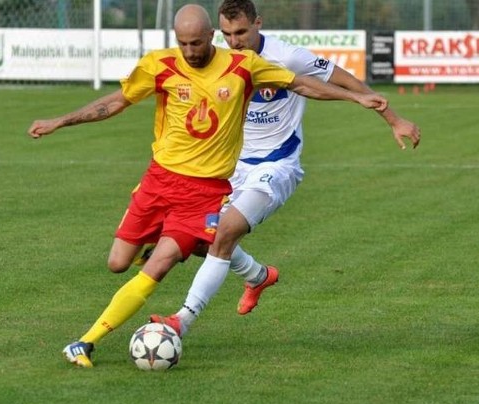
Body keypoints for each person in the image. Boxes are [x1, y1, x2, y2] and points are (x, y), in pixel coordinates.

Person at [28, 3, 387, 367]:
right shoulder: (160, 65)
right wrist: (61, 120)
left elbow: (302, 84)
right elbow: (116, 102)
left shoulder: (242, 67)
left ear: (210, 37)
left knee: (173, 258)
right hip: (159, 181)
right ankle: (254, 274)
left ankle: (86, 342)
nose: (189, 52)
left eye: (196, 43)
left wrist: (357, 97)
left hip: (204, 192)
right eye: (183, 44)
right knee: (119, 262)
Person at [150, 0, 421, 337]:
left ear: (258, 24)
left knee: (225, 231)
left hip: (277, 166)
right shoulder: (221, 60)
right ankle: (257, 276)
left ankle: (182, 321)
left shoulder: (287, 56)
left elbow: (347, 81)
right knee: (201, 241)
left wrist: (393, 119)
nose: (235, 41)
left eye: (242, 32)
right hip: (230, 169)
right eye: (228, 34)